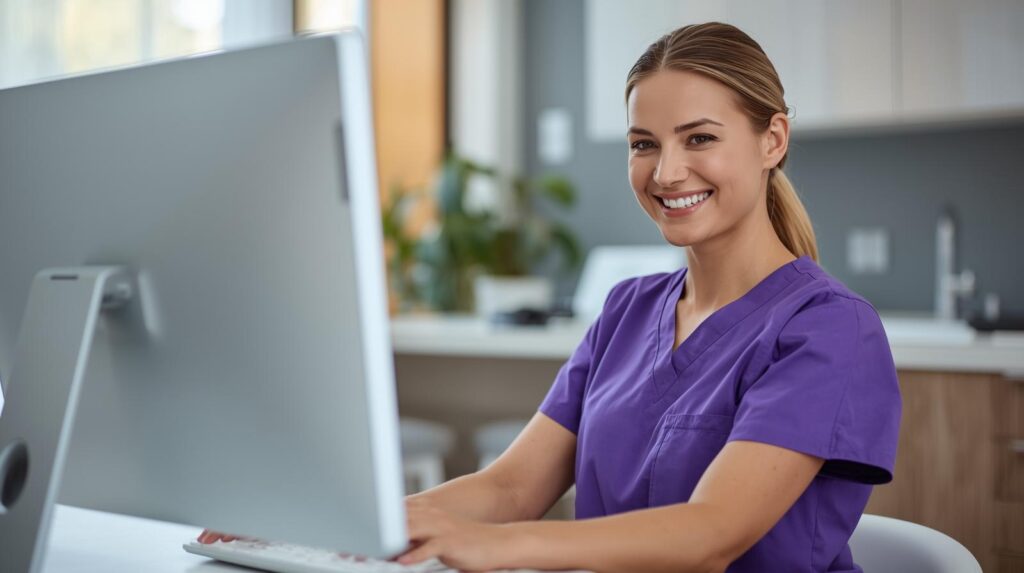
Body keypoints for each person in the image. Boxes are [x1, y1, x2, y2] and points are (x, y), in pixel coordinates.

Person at [203, 22, 901, 573]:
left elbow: (709, 535)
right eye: (643, 143)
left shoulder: (829, 329)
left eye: (700, 139)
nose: (666, 170)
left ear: (772, 139)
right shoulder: (628, 310)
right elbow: (509, 488)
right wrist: (336, 522)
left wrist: (504, 547)